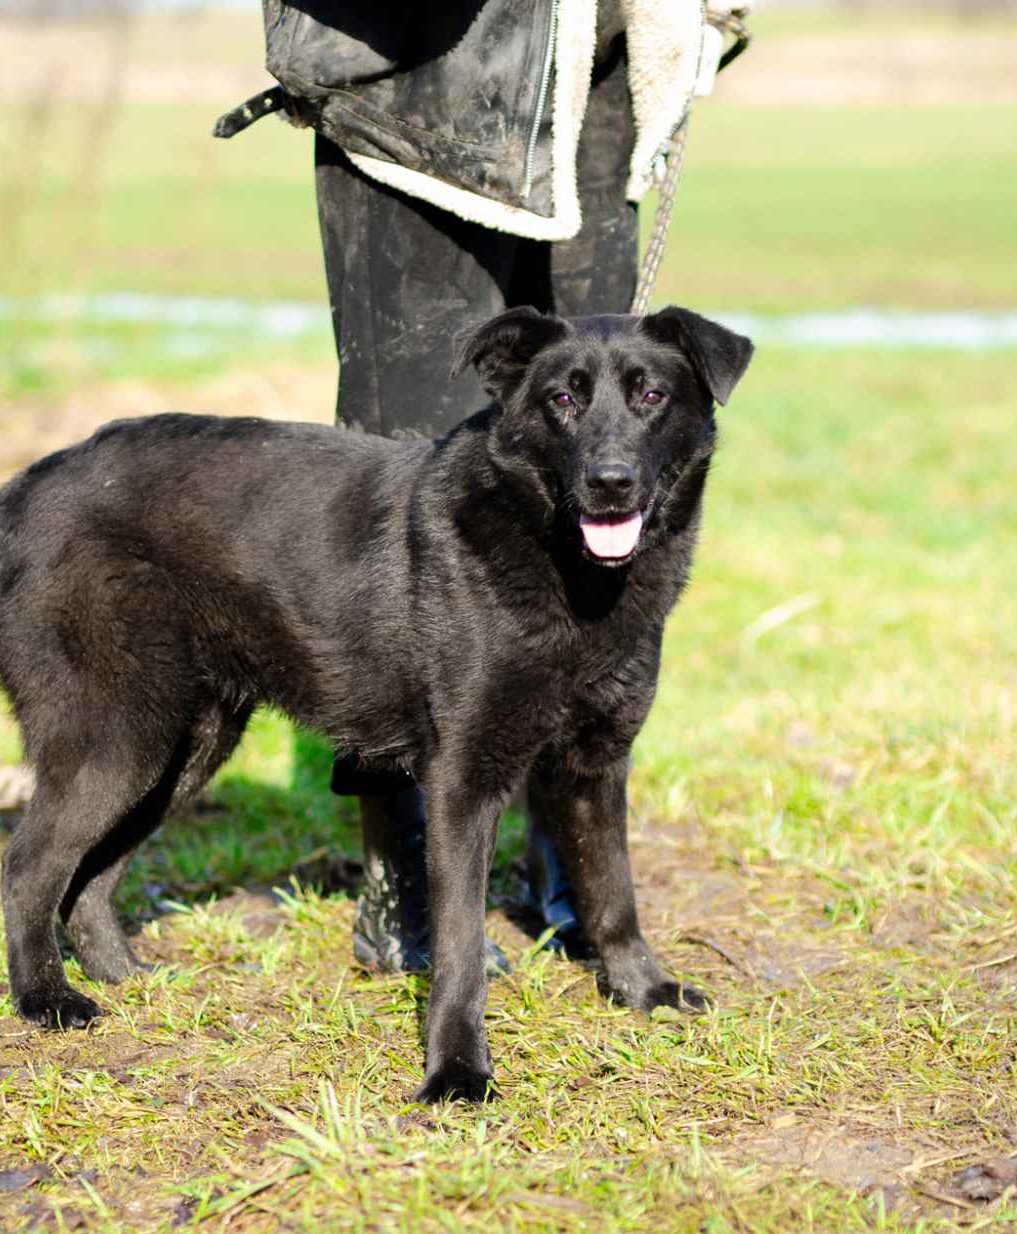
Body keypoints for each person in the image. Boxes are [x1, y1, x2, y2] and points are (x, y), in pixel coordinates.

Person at [217, 1, 735, 973]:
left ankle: (566, 878)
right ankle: (400, 881)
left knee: (601, 454)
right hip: (416, 80)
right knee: (409, 473)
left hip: (594, 75)